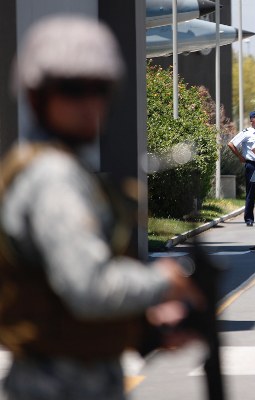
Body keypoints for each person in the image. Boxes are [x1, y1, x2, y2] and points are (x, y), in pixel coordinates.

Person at [0, 15, 202, 400]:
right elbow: (89, 287)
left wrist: (144, 327)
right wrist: (165, 279)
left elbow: (60, 293)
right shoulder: (53, 178)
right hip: (59, 385)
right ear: (36, 96)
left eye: (100, 89)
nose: (90, 103)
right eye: (72, 89)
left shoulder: (62, 169)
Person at [228, 110, 255, 226]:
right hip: (251, 165)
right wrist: (240, 156)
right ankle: (249, 219)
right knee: (251, 193)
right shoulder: (246, 132)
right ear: (251, 121)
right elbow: (231, 144)